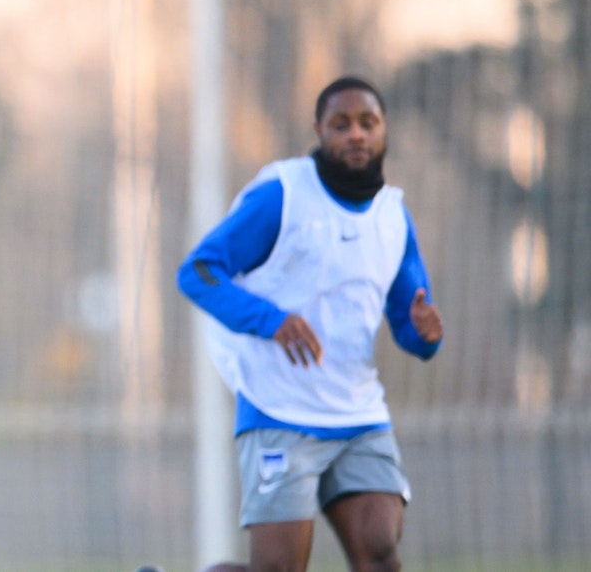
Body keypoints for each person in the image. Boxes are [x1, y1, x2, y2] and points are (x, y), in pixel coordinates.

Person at [179, 76, 445, 572]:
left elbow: (409, 321)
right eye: (341, 124)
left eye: (368, 122)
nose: (356, 134)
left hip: (357, 414)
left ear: (384, 130)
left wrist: (426, 336)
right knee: (279, 569)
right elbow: (197, 272)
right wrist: (272, 321)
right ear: (319, 131)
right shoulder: (283, 196)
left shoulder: (393, 217)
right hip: (279, 409)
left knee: (380, 552)